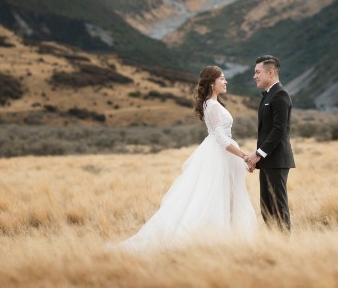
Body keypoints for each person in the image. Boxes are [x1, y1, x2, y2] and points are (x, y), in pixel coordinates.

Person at [109, 66, 257, 251]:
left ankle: (224, 240)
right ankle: (205, 241)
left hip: (222, 154)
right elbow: (220, 138)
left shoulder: (213, 104)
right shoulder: (212, 105)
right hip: (218, 154)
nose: (225, 82)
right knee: (211, 196)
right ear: (212, 83)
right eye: (222, 79)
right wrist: (243, 156)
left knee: (222, 196)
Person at [244, 55, 294, 231]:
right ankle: (275, 245)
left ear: (270, 72)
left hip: (278, 160)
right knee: (267, 208)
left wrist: (258, 154)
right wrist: (258, 157)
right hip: (267, 161)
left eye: (257, 72)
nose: (254, 76)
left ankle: (285, 247)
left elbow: (278, 130)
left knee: (278, 207)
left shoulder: (280, 95)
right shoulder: (267, 96)